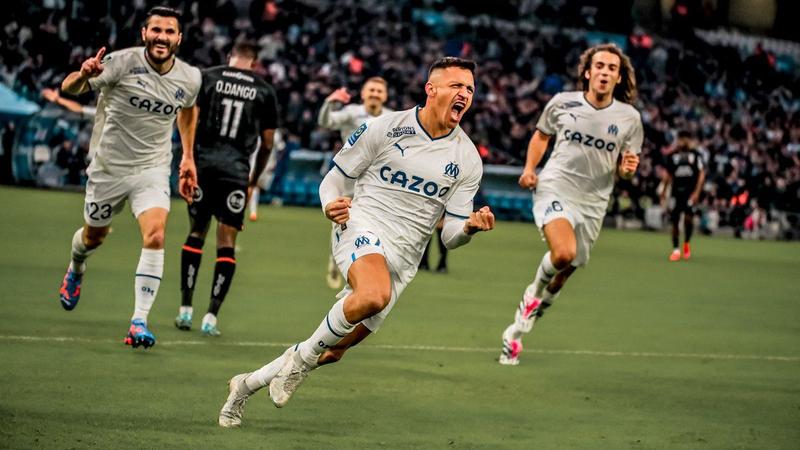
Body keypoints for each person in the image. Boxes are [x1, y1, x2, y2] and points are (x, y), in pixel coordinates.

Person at [218, 57, 495, 427]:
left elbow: (449, 237)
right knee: (372, 295)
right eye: (457, 86)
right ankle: (297, 364)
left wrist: (470, 229)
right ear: (431, 89)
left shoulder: (467, 159)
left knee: (333, 351)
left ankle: (244, 386)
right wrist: (329, 204)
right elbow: (334, 180)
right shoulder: (384, 127)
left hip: (405, 258)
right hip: (362, 224)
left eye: (470, 89)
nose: (465, 94)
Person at [57, 6, 201, 349]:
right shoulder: (121, 62)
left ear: (179, 38)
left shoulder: (190, 77)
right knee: (94, 237)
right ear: (144, 33)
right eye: (156, 30)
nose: (161, 37)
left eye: (169, 31)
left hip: (152, 169)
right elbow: (69, 88)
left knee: (155, 234)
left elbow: (188, 109)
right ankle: (76, 266)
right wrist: (83, 74)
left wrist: (189, 157)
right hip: (108, 169)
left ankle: (139, 321)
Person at [498, 43, 643, 365]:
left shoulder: (630, 119)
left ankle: (516, 333)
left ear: (618, 78)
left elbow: (626, 169)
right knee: (563, 253)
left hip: (594, 202)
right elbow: (541, 135)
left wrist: (628, 171)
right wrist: (529, 169)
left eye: (612, 69)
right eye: (600, 66)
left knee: (566, 271)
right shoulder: (563, 103)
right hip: (556, 187)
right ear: (588, 72)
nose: (605, 72)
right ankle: (531, 296)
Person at [175, 41, 279, 336]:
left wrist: (189, 157)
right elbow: (268, 143)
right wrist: (253, 180)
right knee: (226, 240)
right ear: (255, 63)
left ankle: (185, 310)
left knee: (196, 232)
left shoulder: (208, 76)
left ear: (230, 57)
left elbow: (188, 117)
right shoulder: (264, 91)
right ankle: (211, 317)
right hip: (236, 173)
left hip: (203, 165)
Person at [317, 77, 393, 289]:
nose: (375, 94)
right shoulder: (352, 112)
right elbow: (326, 122)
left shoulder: (391, 118)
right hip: (349, 174)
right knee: (343, 218)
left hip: (376, 180)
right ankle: (338, 256)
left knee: (373, 221)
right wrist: (329, 103)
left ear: (385, 96)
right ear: (363, 93)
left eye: (379, 91)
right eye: (372, 90)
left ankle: (365, 260)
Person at [661, 130, 705, 261]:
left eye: (686, 139)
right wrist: (663, 191)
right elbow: (668, 175)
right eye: (681, 138)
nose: (683, 141)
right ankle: (676, 249)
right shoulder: (673, 156)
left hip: (690, 193)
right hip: (676, 193)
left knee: (688, 219)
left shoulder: (696, 156)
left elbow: (702, 174)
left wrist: (697, 192)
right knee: (674, 221)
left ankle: (686, 242)